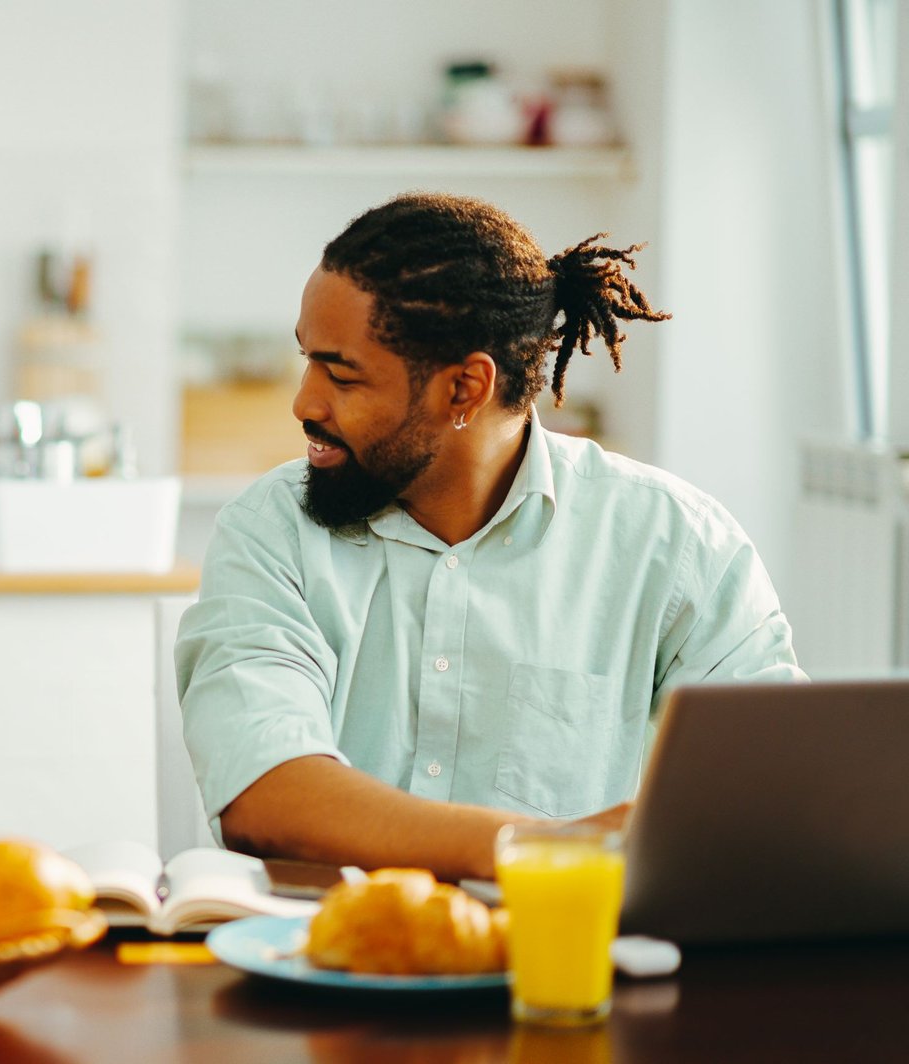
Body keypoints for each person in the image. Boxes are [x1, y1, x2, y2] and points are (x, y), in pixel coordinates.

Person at [175, 193, 803, 882]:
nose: (304, 402)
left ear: (465, 388)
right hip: (319, 962)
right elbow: (266, 797)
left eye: (341, 374)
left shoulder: (678, 546)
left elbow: (772, 797)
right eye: (307, 360)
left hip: (560, 969)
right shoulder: (271, 529)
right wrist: (550, 848)